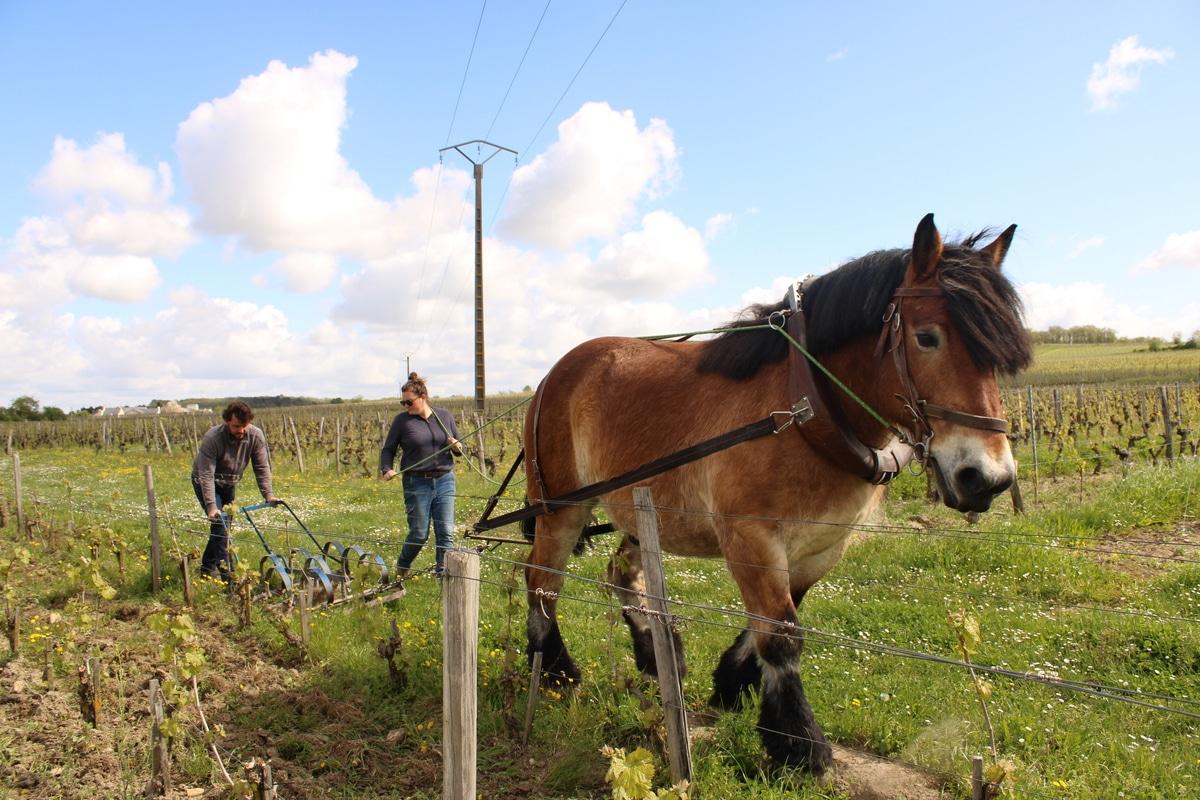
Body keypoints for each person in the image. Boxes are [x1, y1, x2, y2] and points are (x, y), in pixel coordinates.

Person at [380, 373, 464, 578]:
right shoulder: (402, 422)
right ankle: (403, 565)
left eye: (409, 402)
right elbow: (388, 449)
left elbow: (460, 448)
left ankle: (443, 576)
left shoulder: (444, 417)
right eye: (403, 402)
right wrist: (386, 468)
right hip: (416, 482)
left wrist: (456, 446)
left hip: (444, 480)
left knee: (445, 533)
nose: (406, 406)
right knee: (419, 533)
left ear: (423, 397)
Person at [191, 400, 279, 580]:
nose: (241, 431)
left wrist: (268, 494)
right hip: (205, 480)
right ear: (226, 421)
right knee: (220, 524)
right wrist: (211, 506)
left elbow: (262, 467)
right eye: (236, 426)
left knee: (224, 526)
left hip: (229, 482)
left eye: (244, 426)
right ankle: (224, 572)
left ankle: (209, 567)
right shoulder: (213, 438)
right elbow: (206, 474)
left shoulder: (255, 436)